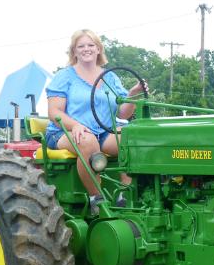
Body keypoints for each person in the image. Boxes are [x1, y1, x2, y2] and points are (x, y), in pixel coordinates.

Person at [46, 28, 147, 214]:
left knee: (130, 137)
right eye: (81, 46)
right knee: (87, 140)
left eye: (91, 45)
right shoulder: (64, 76)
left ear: (98, 49)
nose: (86, 49)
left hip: (102, 131)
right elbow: (54, 112)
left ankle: (125, 194)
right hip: (65, 132)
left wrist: (132, 95)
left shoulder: (110, 77)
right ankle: (96, 199)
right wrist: (75, 125)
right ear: (74, 51)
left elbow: (123, 114)